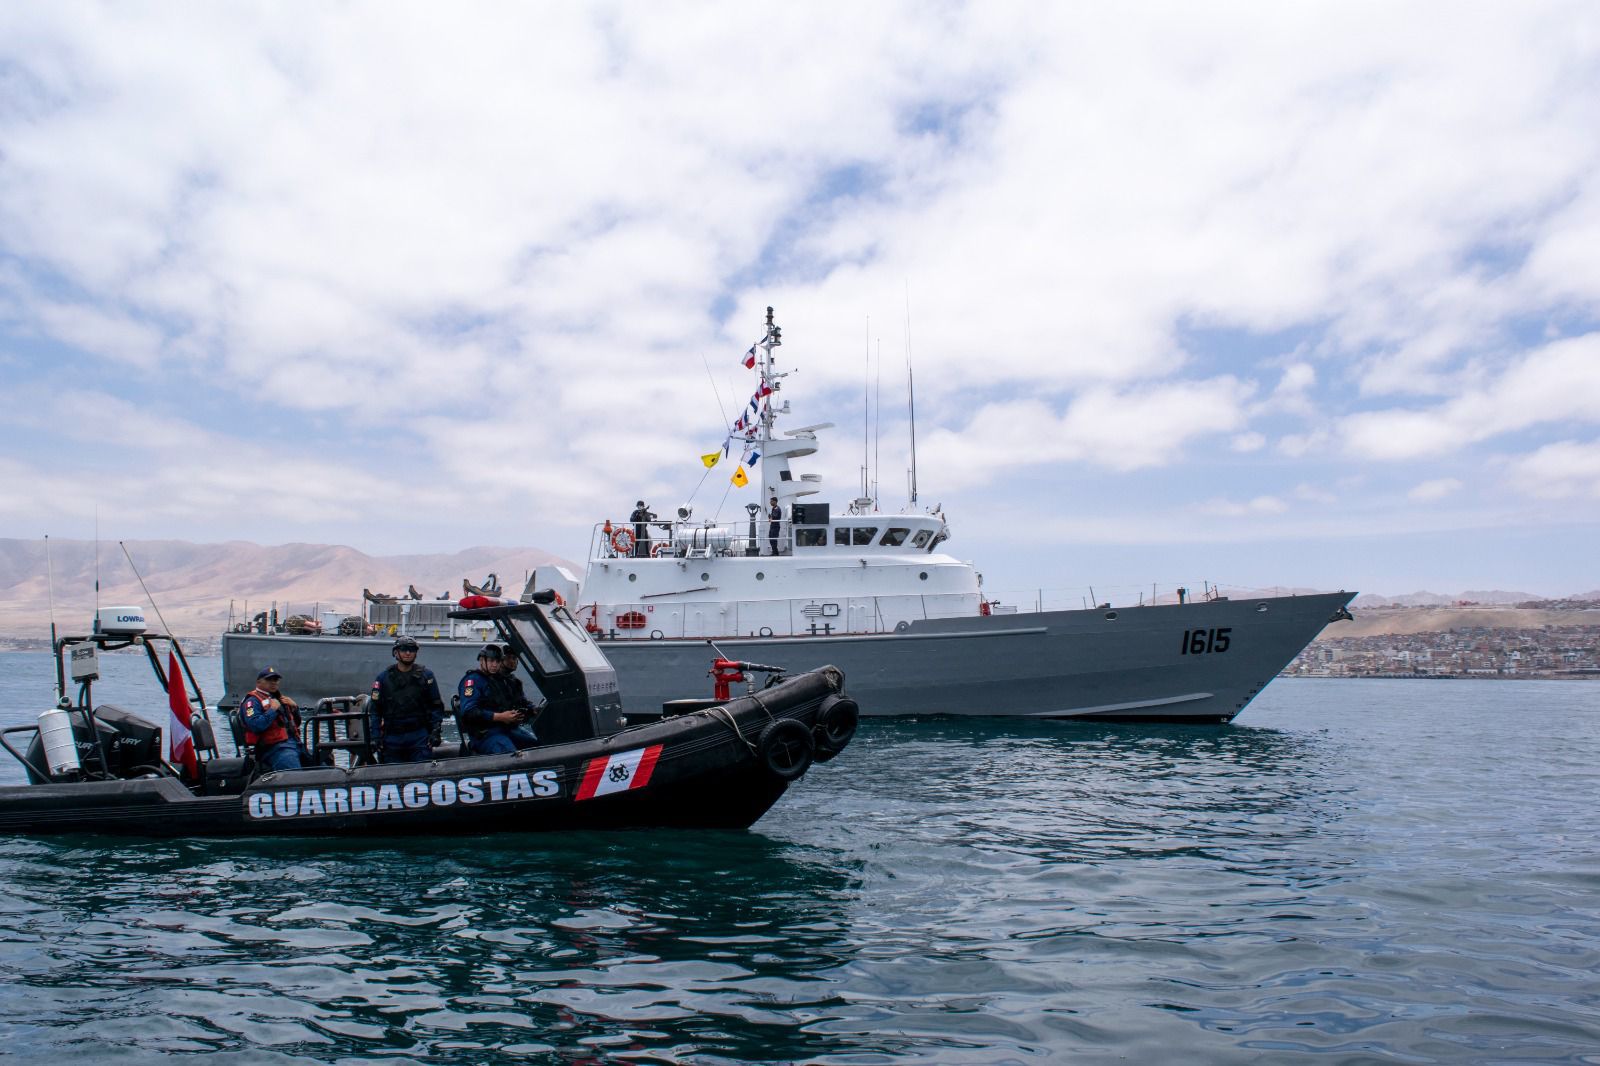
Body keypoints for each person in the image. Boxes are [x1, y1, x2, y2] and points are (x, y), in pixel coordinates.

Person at [368, 636, 445, 763]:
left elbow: (436, 706)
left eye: (412, 650)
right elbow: (375, 710)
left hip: (419, 736)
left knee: (422, 768)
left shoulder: (426, 676)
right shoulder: (383, 678)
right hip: (392, 737)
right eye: (404, 649)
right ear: (395, 653)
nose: (408, 653)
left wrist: (435, 731)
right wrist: (375, 736)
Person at [457, 645, 538, 756]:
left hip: (505, 730)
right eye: (491, 661)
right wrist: (500, 717)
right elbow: (469, 712)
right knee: (511, 755)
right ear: (482, 660)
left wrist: (524, 712)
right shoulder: (473, 681)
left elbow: (512, 701)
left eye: (498, 661)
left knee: (536, 746)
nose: (495, 665)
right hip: (486, 735)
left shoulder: (498, 680)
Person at [237, 667, 312, 773]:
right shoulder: (252, 702)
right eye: (269, 679)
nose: (273, 682)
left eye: (275, 680)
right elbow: (256, 725)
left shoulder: (279, 699)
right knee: (292, 768)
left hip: (294, 744)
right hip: (272, 748)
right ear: (258, 682)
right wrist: (272, 710)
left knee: (321, 760)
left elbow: (296, 724)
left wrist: (295, 708)